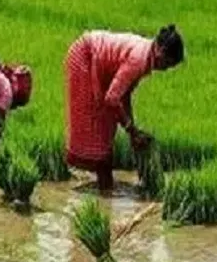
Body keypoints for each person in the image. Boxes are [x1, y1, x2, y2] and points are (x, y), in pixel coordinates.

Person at [64, 24, 184, 191]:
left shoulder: (146, 56)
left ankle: (105, 185)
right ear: (160, 51)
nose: (165, 69)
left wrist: (132, 129)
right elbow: (112, 98)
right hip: (85, 57)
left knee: (105, 129)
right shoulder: (139, 60)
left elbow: (124, 94)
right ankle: (104, 188)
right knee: (97, 128)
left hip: (99, 65)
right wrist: (132, 131)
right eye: (168, 64)